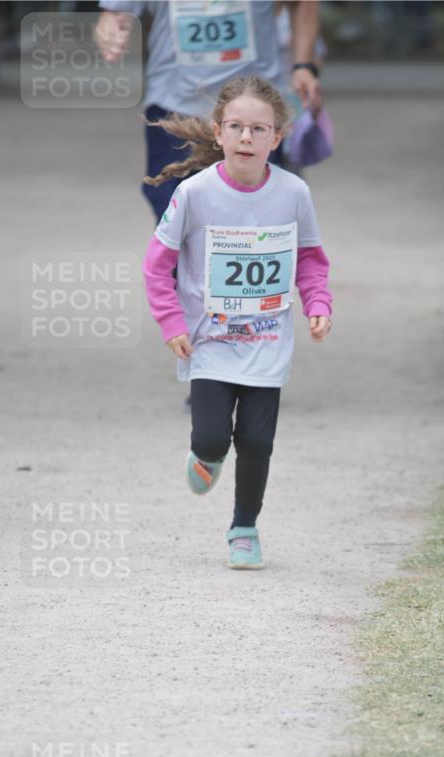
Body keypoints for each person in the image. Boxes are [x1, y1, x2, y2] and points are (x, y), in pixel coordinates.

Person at [142, 75, 332, 570]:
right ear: (218, 132)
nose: (247, 137)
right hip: (208, 341)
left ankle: (244, 527)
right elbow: (155, 265)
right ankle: (206, 457)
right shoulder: (195, 193)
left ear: (278, 137)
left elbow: (311, 258)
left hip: (268, 340)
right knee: (211, 437)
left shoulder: (294, 193)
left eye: (259, 129)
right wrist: (171, 323)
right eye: (236, 127)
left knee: (256, 441)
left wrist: (318, 303)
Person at [95, 1, 322, 221]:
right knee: (171, 208)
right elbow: (115, 12)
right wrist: (111, 20)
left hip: (253, 106)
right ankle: (178, 260)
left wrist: (303, 65)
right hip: (175, 101)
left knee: (256, 211)